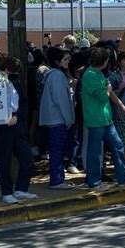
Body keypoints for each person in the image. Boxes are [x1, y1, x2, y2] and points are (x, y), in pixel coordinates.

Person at [82, 48, 125, 191]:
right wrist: (108, 88)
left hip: (106, 119)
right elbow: (104, 95)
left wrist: (120, 105)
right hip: (95, 120)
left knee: (118, 145)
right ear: (103, 62)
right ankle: (94, 182)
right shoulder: (89, 75)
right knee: (95, 152)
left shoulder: (98, 73)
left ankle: (124, 178)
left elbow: (110, 92)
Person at [0, 57, 37, 204]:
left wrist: (17, 117)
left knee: (27, 159)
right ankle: (6, 192)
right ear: (5, 69)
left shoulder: (16, 83)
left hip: (17, 125)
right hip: (2, 127)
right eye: (13, 71)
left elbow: (23, 102)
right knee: (4, 161)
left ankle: (21, 189)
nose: (15, 74)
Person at [39, 47, 75, 189]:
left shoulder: (54, 75)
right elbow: (62, 100)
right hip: (58, 119)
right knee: (57, 150)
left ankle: (58, 178)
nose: (68, 61)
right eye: (65, 59)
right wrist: (69, 119)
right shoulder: (57, 76)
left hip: (56, 119)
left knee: (57, 150)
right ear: (57, 61)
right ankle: (56, 180)